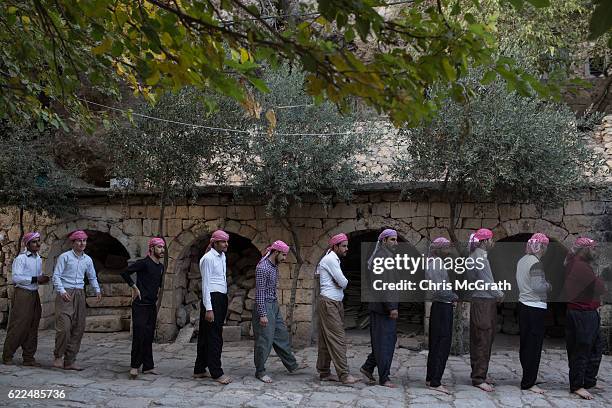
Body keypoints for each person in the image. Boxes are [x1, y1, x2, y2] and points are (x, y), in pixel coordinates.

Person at [253, 240, 302, 383]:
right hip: (265, 306)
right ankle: (260, 371)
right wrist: (262, 314)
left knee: (281, 335)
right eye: (284, 255)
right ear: (275, 252)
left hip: (273, 305)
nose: (285, 258)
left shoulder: (274, 266)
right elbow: (260, 293)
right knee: (264, 340)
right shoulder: (263, 268)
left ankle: (292, 365)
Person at [564, 237, 607, 400]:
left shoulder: (578, 264)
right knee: (581, 349)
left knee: (596, 348)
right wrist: (600, 280)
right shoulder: (580, 266)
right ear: (585, 250)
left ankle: (589, 380)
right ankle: (577, 385)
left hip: (587, 312)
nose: (595, 251)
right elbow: (600, 288)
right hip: (582, 313)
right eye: (593, 248)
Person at [52, 230, 101, 370]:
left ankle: (70, 360)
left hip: (80, 294)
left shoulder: (87, 259)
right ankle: (58, 356)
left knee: (78, 327)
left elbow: (92, 276)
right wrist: (61, 291)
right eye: (79, 241)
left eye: (84, 241)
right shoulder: (65, 257)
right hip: (65, 293)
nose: (82, 243)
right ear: (72, 242)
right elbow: (56, 276)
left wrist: (97, 289)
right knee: (64, 327)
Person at [316, 233, 358, 385]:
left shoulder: (333, 259)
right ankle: (344, 375)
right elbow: (343, 282)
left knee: (326, 339)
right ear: (335, 246)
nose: (347, 248)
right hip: (329, 303)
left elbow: (339, 282)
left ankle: (324, 372)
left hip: (333, 302)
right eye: (344, 246)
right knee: (338, 339)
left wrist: (338, 282)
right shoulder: (330, 259)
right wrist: (339, 282)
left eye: (347, 245)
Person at [2, 232, 50, 366]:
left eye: (38, 241)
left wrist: (43, 279)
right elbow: (16, 278)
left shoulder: (38, 258)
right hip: (23, 294)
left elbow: (37, 276)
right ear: (27, 244)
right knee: (19, 324)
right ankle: (7, 355)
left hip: (34, 294)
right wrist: (35, 279)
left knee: (33, 325)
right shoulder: (21, 258)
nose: (37, 244)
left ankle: (28, 357)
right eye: (34, 242)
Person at [121, 237, 165, 379]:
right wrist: (134, 288)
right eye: (159, 247)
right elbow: (125, 273)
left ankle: (148, 366)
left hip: (151, 305)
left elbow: (157, 283)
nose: (162, 250)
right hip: (140, 304)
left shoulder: (160, 266)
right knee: (139, 335)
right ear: (151, 249)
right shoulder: (144, 263)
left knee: (148, 335)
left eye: (163, 247)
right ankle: (134, 366)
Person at [360, 229, 399, 388]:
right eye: (392, 240)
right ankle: (384, 378)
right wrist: (391, 307)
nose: (396, 243)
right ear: (383, 241)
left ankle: (368, 367)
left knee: (386, 341)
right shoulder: (381, 258)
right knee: (385, 343)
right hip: (383, 308)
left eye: (396, 240)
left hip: (383, 306)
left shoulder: (386, 256)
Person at [193, 229, 232, 384]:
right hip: (212, 299)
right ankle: (216, 372)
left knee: (205, 334)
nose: (226, 244)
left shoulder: (222, 256)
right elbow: (206, 285)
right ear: (215, 243)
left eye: (226, 241)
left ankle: (199, 369)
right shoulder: (208, 259)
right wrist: (209, 308)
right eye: (223, 242)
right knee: (215, 337)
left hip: (220, 297)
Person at [467, 228, 502, 392]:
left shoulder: (473, 256)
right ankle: (479, 377)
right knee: (484, 338)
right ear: (484, 241)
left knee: (478, 338)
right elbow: (487, 281)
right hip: (484, 301)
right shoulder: (481, 258)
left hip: (477, 299)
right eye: (490, 239)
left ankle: (478, 372)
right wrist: (499, 293)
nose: (492, 242)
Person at [516, 233, 551, 394]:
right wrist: (548, 286)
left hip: (523, 304)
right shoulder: (536, 263)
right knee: (534, 346)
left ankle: (527, 377)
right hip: (535, 307)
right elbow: (538, 287)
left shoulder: (522, 260)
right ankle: (529, 382)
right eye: (545, 246)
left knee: (526, 344)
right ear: (541, 247)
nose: (545, 250)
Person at [425, 237, 457, 395]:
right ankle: (436, 381)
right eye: (446, 248)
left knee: (435, 343)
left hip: (439, 306)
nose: (449, 250)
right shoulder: (437, 264)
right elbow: (440, 290)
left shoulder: (434, 262)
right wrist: (454, 296)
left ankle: (431, 378)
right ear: (439, 249)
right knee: (442, 344)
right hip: (443, 308)